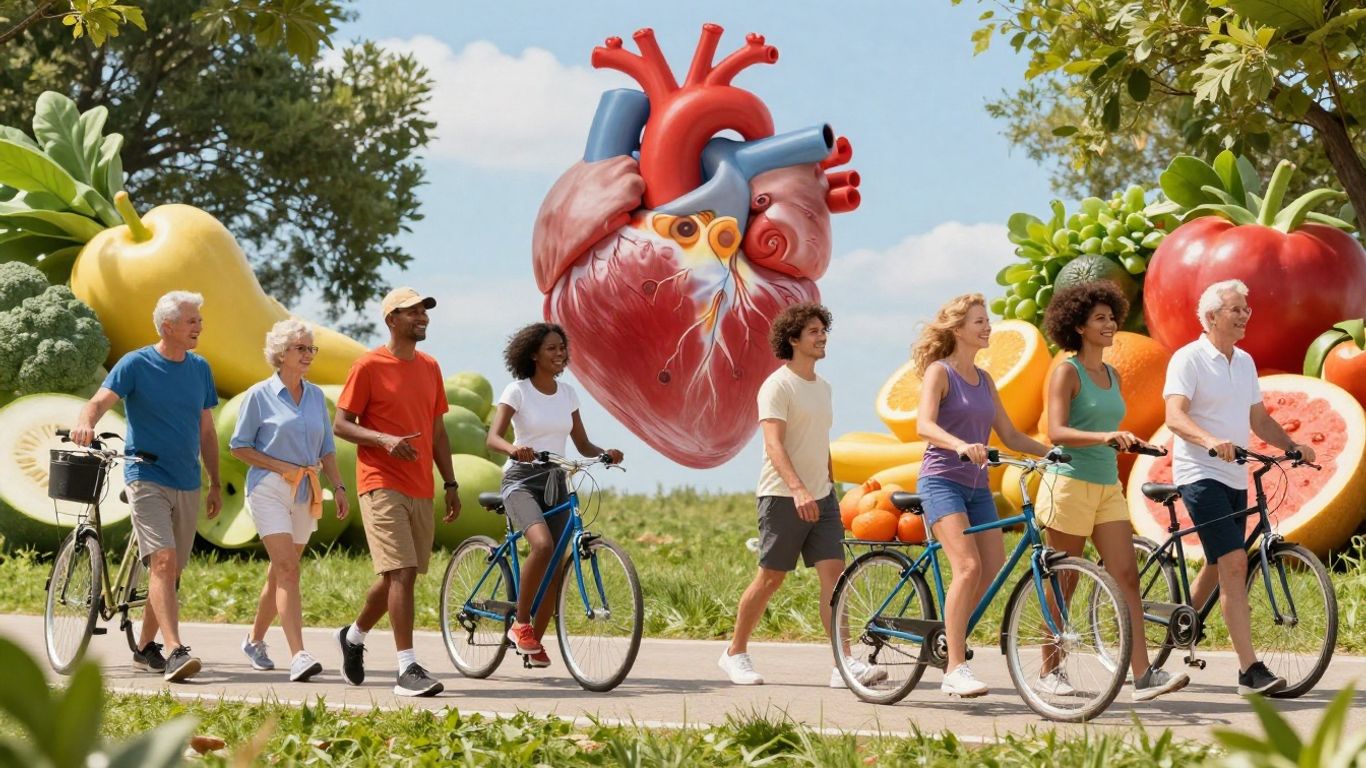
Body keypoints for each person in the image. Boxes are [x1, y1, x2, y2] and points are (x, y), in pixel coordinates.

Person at [717, 302, 885, 689]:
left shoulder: (823, 388)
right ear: (793, 339)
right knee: (771, 578)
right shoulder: (777, 386)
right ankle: (734, 653)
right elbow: (774, 445)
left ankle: (843, 664)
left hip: (822, 498)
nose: (822, 336)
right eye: (813, 331)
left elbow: (819, 442)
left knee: (834, 577)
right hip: (782, 496)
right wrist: (797, 489)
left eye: (823, 330)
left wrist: (830, 487)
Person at [1037, 281, 1190, 702]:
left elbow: (1107, 430)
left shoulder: (1113, 373)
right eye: (1100, 319)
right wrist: (1108, 435)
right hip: (1069, 485)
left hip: (1107, 486)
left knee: (1126, 576)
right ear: (1079, 326)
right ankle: (1049, 669)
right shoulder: (1066, 371)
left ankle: (1142, 675)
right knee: (1065, 579)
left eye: (1111, 317)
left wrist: (1137, 442)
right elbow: (1056, 432)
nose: (1110, 324)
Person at [1164, 279, 1314, 696]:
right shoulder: (1188, 358)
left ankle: (1181, 621)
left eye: (1246, 308)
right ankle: (1249, 671)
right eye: (1236, 309)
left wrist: (1293, 446)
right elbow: (1175, 416)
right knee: (1233, 562)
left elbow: (1259, 420)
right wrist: (1209, 441)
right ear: (1211, 316)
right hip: (1198, 473)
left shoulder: (1244, 361)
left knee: (1218, 561)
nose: (1245, 314)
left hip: (1234, 474)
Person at [71, 290, 220, 683]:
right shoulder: (136, 363)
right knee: (164, 561)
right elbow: (98, 402)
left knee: (168, 573)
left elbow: (207, 430)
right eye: (192, 321)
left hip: (188, 479)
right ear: (168, 326)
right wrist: (86, 421)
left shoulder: (200, 368)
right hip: (145, 474)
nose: (199, 326)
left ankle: (146, 646)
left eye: (199, 320)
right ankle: (175, 650)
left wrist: (216, 482)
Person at [914, 293, 1050, 698]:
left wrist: (1053, 452)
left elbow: (1009, 435)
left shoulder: (986, 380)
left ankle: (948, 637)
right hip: (941, 481)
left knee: (991, 567)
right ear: (958, 330)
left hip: (977, 486)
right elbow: (924, 424)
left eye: (987, 320)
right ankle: (955, 666)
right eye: (979, 321)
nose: (987, 327)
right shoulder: (941, 373)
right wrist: (957, 444)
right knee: (968, 568)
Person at [333, 287, 460, 697]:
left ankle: (353, 637)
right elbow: (342, 424)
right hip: (380, 481)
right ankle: (407, 669)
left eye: (425, 310)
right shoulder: (368, 366)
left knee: (397, 577)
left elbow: (438, 431)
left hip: (421, 485)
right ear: (391, 320)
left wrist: (451, 482)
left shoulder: (430, 366)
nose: (422, 317)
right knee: (401, 572)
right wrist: (383, 439)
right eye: (412, 312)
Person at [486, 322, 623, 668]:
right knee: (542, 546)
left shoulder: (568, 394)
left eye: (562, 347)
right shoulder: (517, 391)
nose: (560, 353)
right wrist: (515, 449)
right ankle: (521, 625)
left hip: (556, 482)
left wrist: (604, 453)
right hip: (520, 480)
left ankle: (532, 641)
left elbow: (581, 443)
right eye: (551, 348)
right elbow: (493, 439)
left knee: (556, 563)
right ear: (533, 354)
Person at [229, 319, 349, 682]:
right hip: (268, 488)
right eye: (301, 348)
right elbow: (239, 447)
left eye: (311, 348)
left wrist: (340, 487)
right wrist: (279, 466)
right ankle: (299, 655)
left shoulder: (315, 397)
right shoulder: (258, 395)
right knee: (288, 570)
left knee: (281, 571)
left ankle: (254, 640)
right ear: (281, 354)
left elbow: (327, 448)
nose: (309, 354)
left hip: (306, 490)